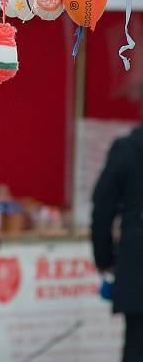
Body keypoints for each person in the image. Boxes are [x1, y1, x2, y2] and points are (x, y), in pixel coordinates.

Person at [91, 124, 143, 362]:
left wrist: (105, 260)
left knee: (136, 346)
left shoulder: (127, 149)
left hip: (137, 268)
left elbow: (102, 210)